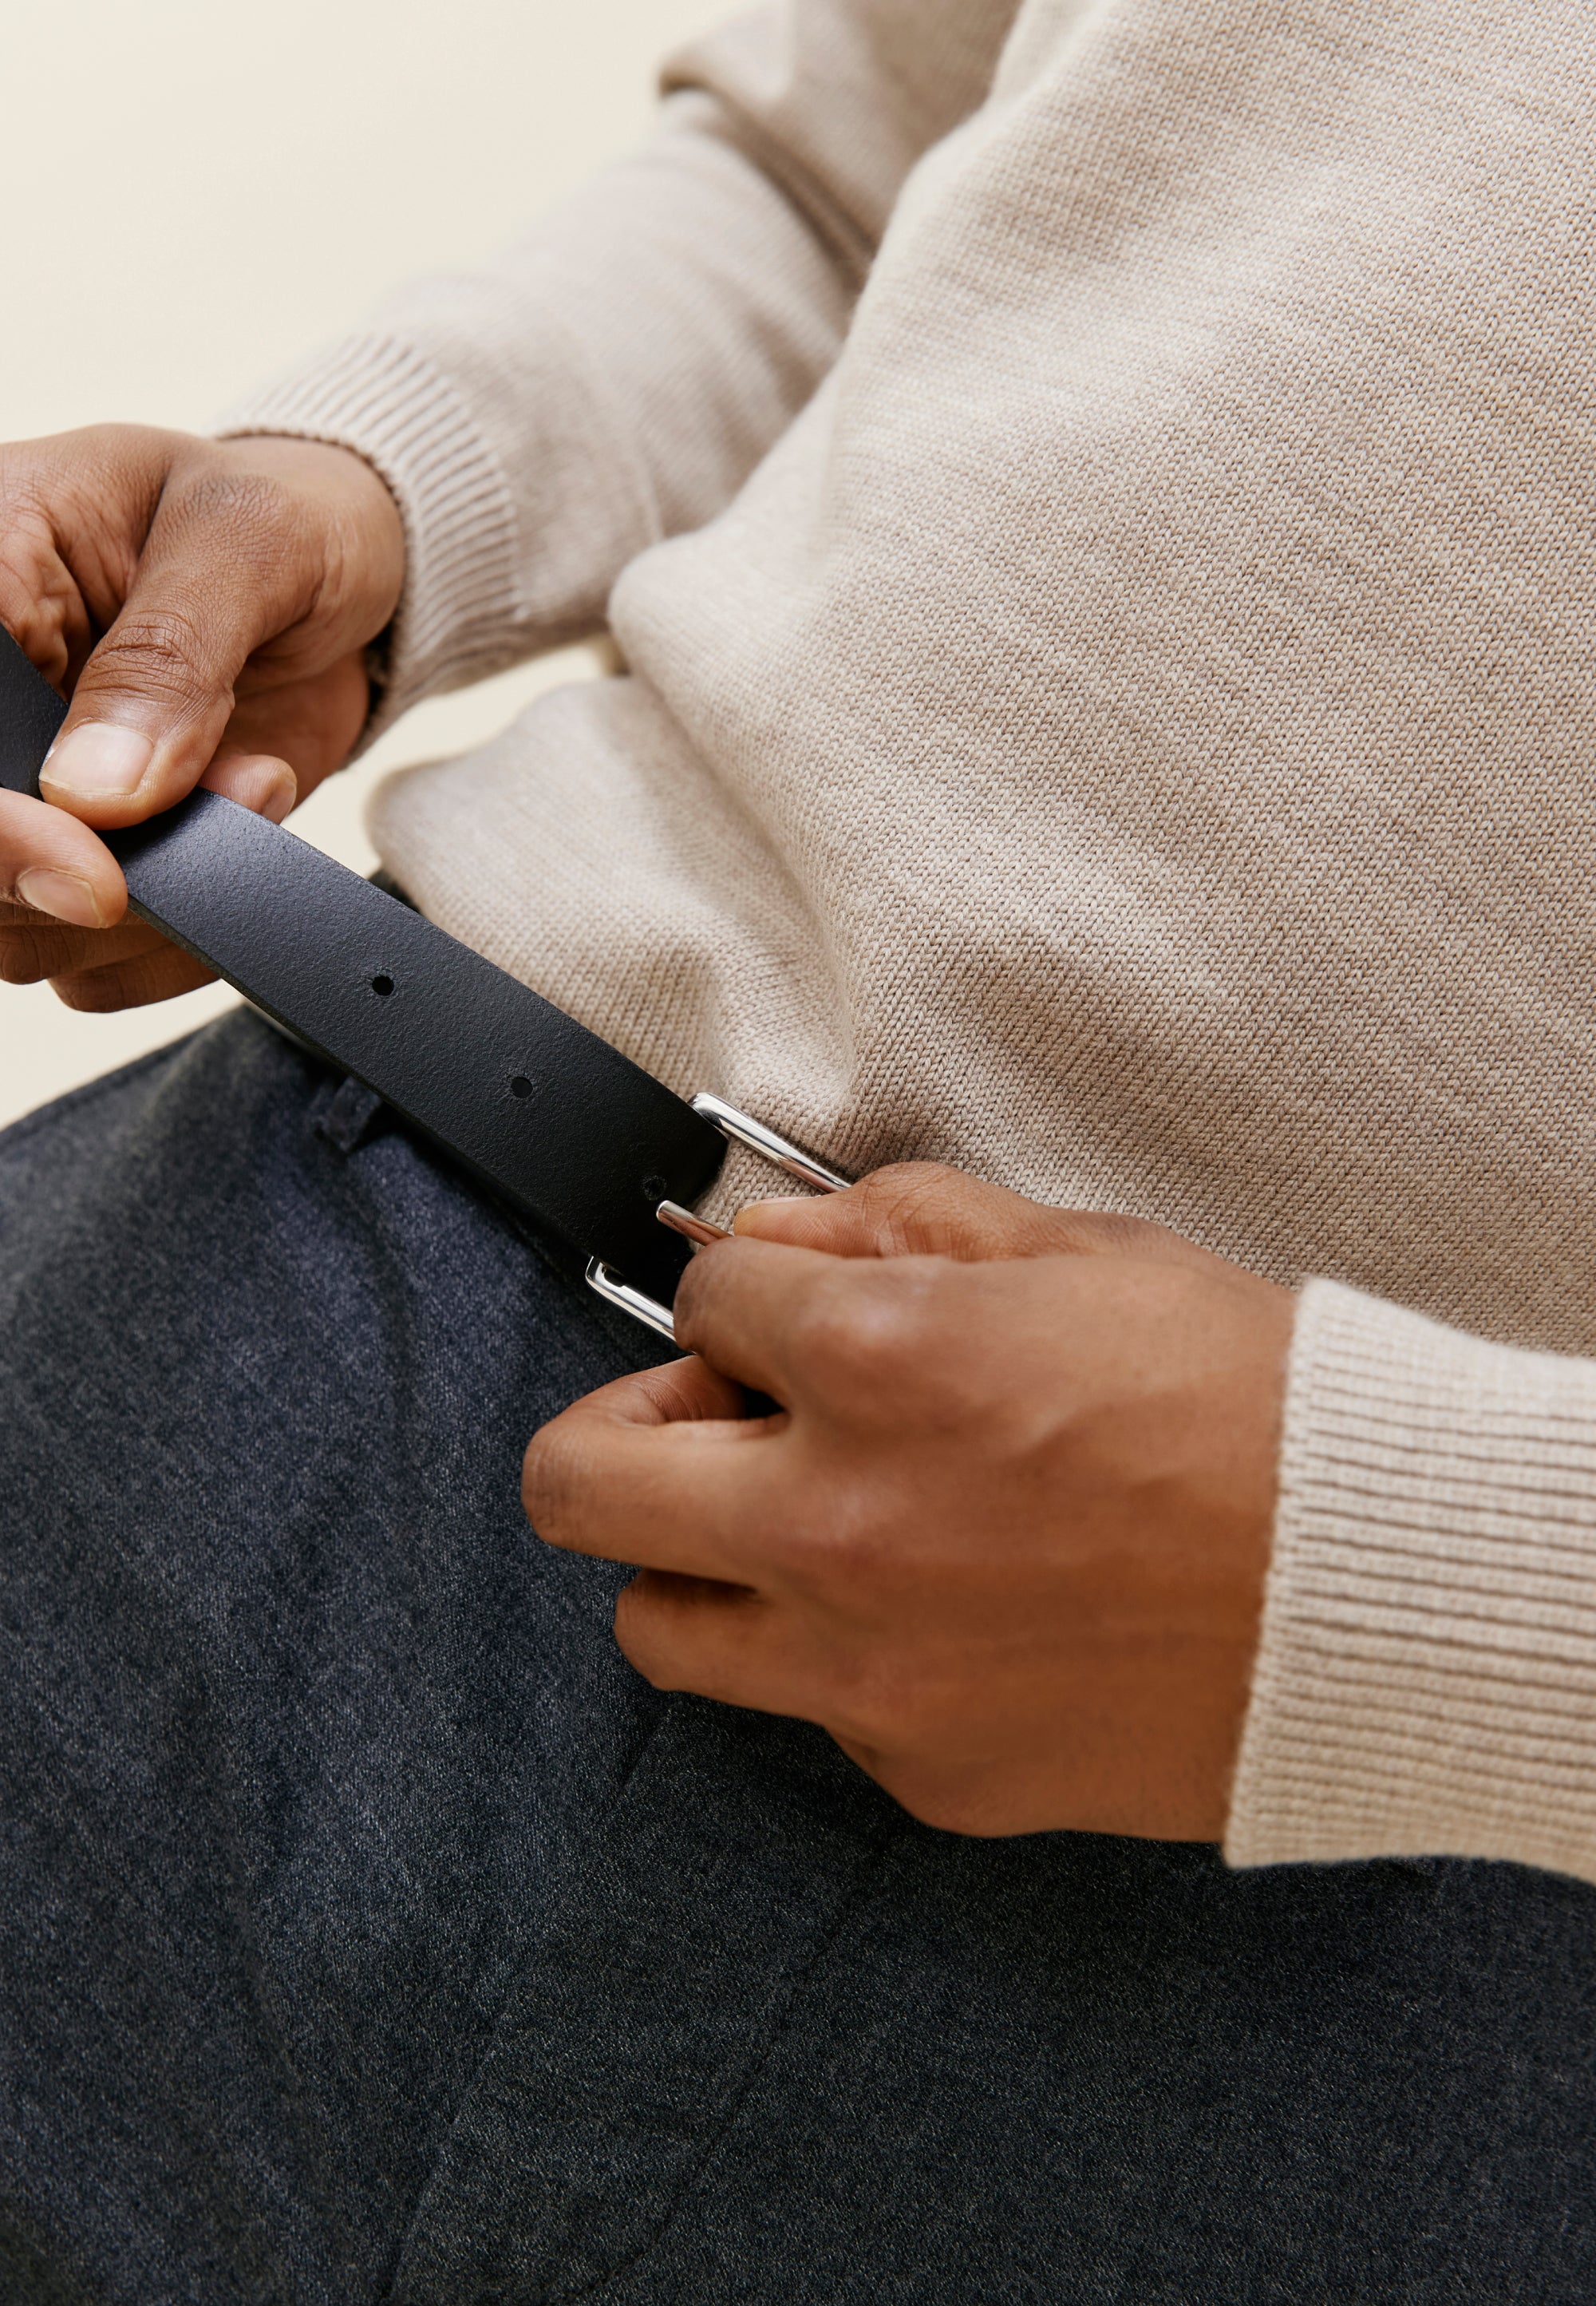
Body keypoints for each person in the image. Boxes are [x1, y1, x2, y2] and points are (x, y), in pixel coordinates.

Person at [3, 0, 1594, 2294]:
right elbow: (848, 165)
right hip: (251, 1341)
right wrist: (379, 481)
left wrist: (1437, 1586)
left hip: (1340, 1963)